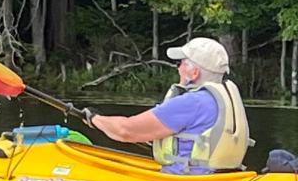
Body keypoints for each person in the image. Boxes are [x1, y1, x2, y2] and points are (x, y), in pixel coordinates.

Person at [89, 37, 252, 173]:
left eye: (180, 64)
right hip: (221, 177)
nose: (178, 68)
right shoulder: (222, 98)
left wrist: (94, 119)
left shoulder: (191, 102)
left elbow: (126, 131)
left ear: (194, 72)